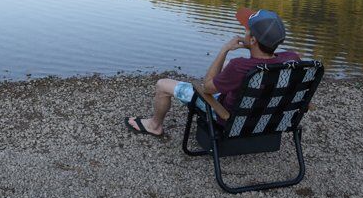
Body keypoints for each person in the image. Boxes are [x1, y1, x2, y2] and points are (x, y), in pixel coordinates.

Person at [125, 8, 299, 137]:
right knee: (228, 69)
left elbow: (207, 88)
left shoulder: (240, 67)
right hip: (266, 119)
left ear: (252, 40)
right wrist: (252, 48)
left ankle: (154, 126)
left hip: (229, 117)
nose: (244, 31)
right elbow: (264, 59)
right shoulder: (292, 59)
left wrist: (224, 50)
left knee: (162, 85)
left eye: (247, 30)